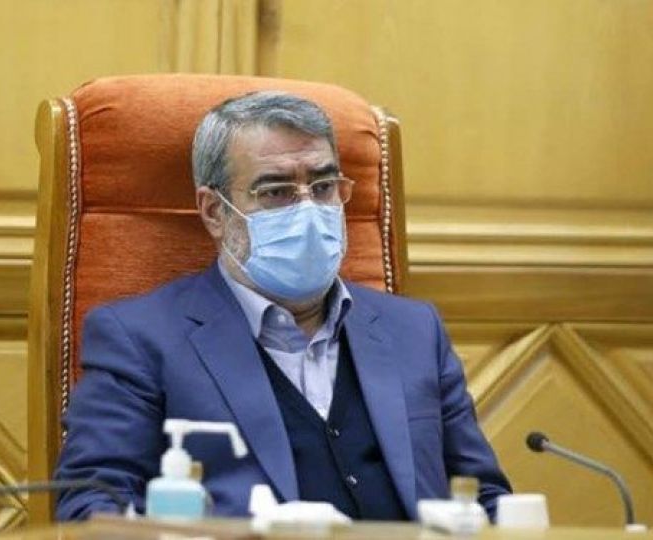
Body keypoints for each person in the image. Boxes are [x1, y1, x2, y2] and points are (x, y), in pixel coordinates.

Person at [54, 90, 511, 522]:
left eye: (324, 185)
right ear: (214, 211)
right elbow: (90, 504)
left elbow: (486, 499)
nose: (309, 210)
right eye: (276, 192)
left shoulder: (414, 330)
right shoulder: (140, 338)